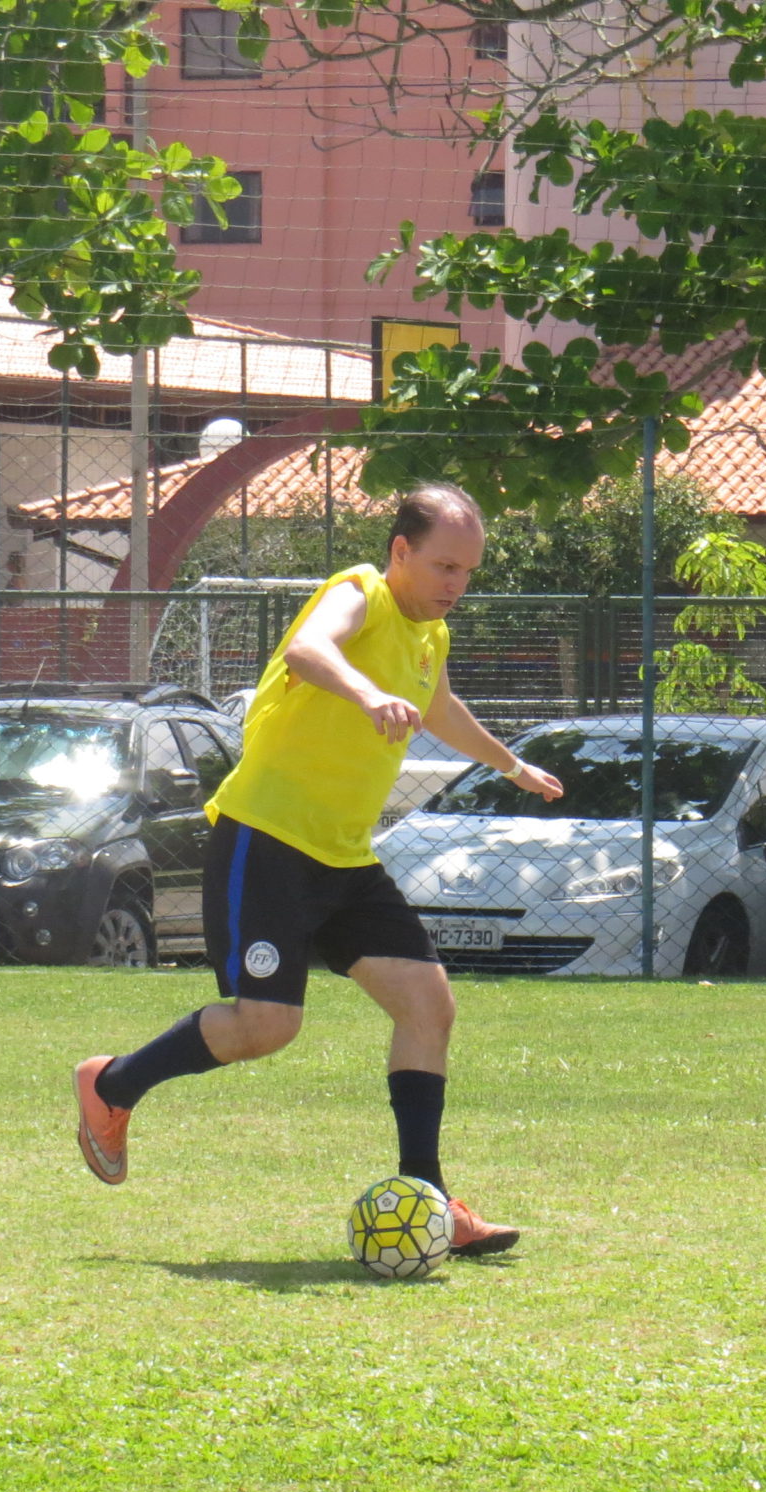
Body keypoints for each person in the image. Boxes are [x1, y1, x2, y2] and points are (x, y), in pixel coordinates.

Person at [72, 484, 563, 1254]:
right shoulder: (359, 593)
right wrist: (367, 693)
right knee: (266, 1026)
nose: (456, 585)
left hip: (344, 858)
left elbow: (439, 708)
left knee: (428, 1006)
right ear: (400, 551)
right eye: (444, 566)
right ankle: (112, 1085)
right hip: (268, 841)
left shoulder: (429, 636)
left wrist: (512, 764)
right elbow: (309, 649)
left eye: (468, 571)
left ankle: (430, 1199)